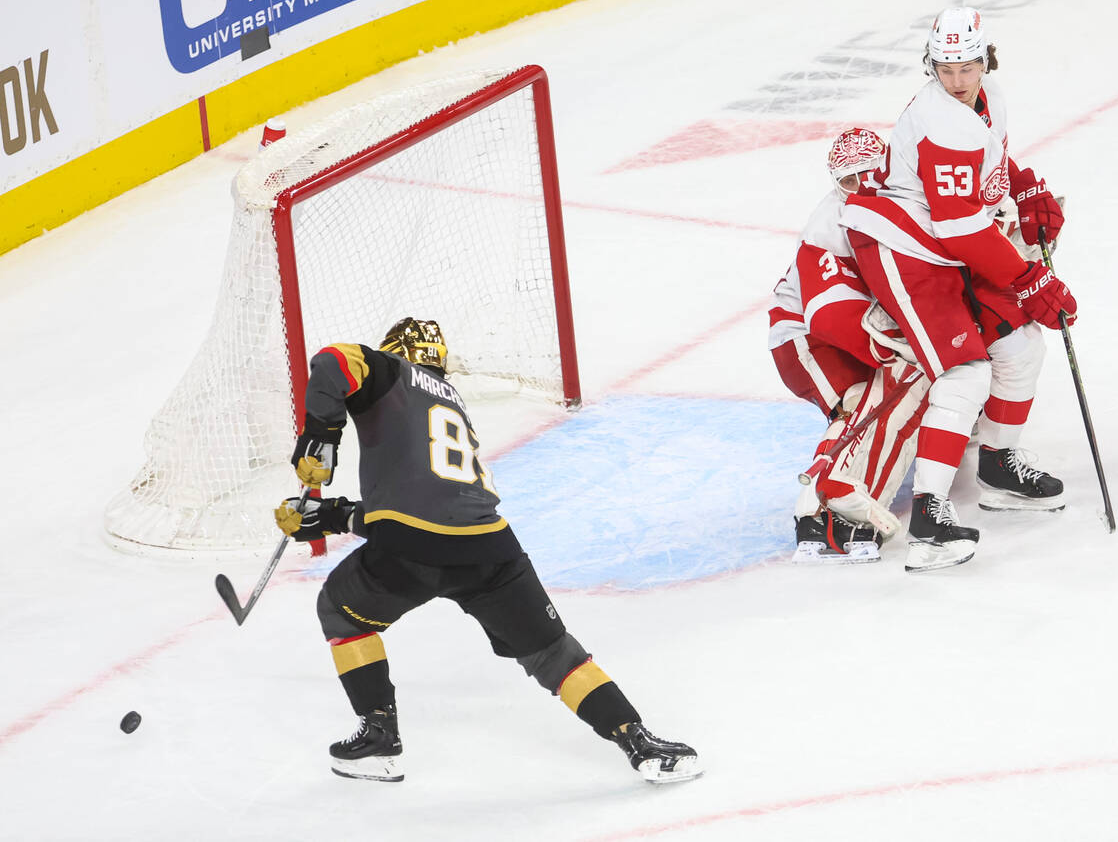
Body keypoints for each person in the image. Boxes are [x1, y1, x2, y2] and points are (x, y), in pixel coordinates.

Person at [274, 318, 702, 784]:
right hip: (490, 547)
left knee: (340, 612)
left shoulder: (392, 372)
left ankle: (379, 738)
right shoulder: (449, 399)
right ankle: (641, 743)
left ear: (397, 351)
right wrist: (335, 516)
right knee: (555, 654)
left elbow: (334, 362)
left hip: (410, 547)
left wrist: (321, 434)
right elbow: (432, 502)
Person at [840, 6, 1077, 573]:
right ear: (932, 67)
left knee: (1021, 348)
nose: (957, 80)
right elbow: (959, 223)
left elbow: (988, 156)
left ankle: (996, 466)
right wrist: (1030, 277)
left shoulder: (984, 96)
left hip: (952, 245)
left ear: (984, 59)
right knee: (966, 372)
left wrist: (1024, 186)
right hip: (907, 250)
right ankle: (929, 522)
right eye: (945, 70)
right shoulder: (940, 119)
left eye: (967, 67)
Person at [769, 128, 931, 564]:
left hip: (858, 330)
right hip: (806, 338)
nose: (860, 188)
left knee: (884, 399)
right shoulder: (829, 226)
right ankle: (817, 503)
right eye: (848, 181)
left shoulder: (900, 197)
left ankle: (854, 497)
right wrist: (896, 350)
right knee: (858, 403)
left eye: (868, 174)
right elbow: (830, 316)